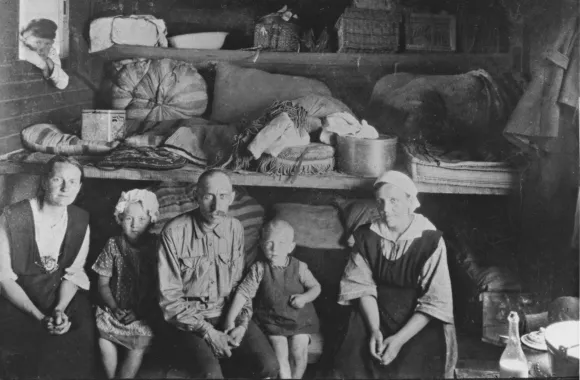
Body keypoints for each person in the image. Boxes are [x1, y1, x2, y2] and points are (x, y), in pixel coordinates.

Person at [333, 170, 457, 379]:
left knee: (411, 369)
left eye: (394, 201)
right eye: (380, 202)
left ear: (410, 201)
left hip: (418, 317)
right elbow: (361, 286)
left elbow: (435, 301)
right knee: (351, 361)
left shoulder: (430, 240)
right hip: (375, 308)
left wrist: (399, 340)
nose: (386, 210)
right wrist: (374, 330)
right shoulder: (366, 236)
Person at [157, 169, 279, 379]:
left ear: (231, 198)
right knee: (212, 375)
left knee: (269, 366)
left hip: (227, 313)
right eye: (208, 196)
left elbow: (241, 286)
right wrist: (209, 333)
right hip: (190, 321)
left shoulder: (235, 228)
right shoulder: (173, 232)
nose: (216, 206)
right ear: (196, 196)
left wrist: (241, 323)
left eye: (223, 197)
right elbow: (169, 300)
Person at [0, 156, 96, 378]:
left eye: (73, 182)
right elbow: (3, 278)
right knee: (34, 344)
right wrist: (40, 317)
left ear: (80, 187)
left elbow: (74, 273)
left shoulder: (80, 220)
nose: (65, 188)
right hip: (17, 298)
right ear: (44, 181)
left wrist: (59, 309)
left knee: (78, 332)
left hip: (57, 294)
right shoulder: (13, 217)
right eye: (57, 179)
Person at [224, 219, 321, 379]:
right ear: (261, 244)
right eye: (269, 243)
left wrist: (304, 297)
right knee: (280, 353)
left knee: (299, 352)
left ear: (291, 247)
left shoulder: (300, 267)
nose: (275, 249)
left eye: (282, 243)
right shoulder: (259, 268)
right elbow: (243, 293)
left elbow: (315, 287)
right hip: (272, 320)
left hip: (300, 320)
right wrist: (230, 319)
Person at [92, 189, 161, 379]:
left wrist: (140, 311)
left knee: (138, 346)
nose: (134, 224)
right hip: (114, 309)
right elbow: (103, 284)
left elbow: (160, 288)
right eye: (129, 218)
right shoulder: (113, 244)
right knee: (103, 341)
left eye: (141, 219)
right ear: (120, 218)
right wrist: (113, 307)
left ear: (152, 219)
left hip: (142, 313)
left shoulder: (157, 246)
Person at [20, 18, 69, 89]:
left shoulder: (51, 51)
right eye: (38, 42)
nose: (42, 48)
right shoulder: (22, 45)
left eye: (47, 43)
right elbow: (23, 51)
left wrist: (48, 61)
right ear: (26, 40)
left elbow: (63, 83)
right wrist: (44, 66)